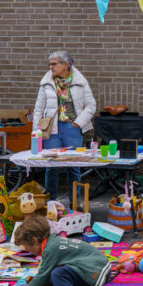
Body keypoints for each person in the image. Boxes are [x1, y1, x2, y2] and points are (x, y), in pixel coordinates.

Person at [33, 50, 97, 199]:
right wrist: (36, 131)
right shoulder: (46, 83)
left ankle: (75, 203)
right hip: (52, 130)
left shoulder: (80, 82)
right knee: (51, 167)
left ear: (65, 64)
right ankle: (50, 203)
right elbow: (38, 109)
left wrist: (78, 123)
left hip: (72, 129)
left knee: (73, 167)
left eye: (54, 64)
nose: (51, 67)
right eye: (50, 64)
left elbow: (91, 105)